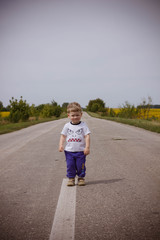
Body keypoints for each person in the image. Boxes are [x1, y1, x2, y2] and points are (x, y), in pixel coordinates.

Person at [59, 102, 91, 186]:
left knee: (81, 166)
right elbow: (63, 136)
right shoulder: (67, 126)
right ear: (68, 116)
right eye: (73, 115)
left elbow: (87, 136)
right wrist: (61, 145)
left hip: (80, 151)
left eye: (77, 115)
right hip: (69, 151)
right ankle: (71, 178)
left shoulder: (83, 125)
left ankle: (81, 178)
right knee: (70, 165)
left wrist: (87, 147)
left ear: (81, 114)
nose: (75, 117)